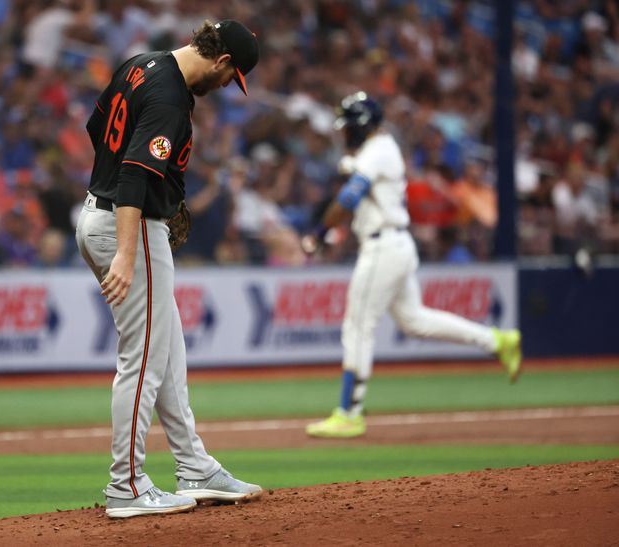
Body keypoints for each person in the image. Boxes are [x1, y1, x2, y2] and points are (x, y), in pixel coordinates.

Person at [75, 19, 263, 518]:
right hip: (128, 225)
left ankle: (195, 466)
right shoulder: (171, 96)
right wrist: (127, 248)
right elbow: (137, 173)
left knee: (168, 350)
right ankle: (127, 486)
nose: (227, 85)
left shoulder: (141, 63)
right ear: (222, 61)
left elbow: (98, 128)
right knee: (143, 361)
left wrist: (125, 197)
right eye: (231, 76)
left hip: (100, 213)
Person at [302, 92, 523, 439]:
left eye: (347, 127)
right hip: (394, 243)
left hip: (383, 247)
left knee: (358, 325)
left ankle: (349, 412)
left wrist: (319, 233)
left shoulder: (377, 150)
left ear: (361, 126)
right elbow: (355, 177)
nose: (343, 133)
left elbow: (349, 197)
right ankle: (496, 341)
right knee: (414, 320)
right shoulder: (376, 150)